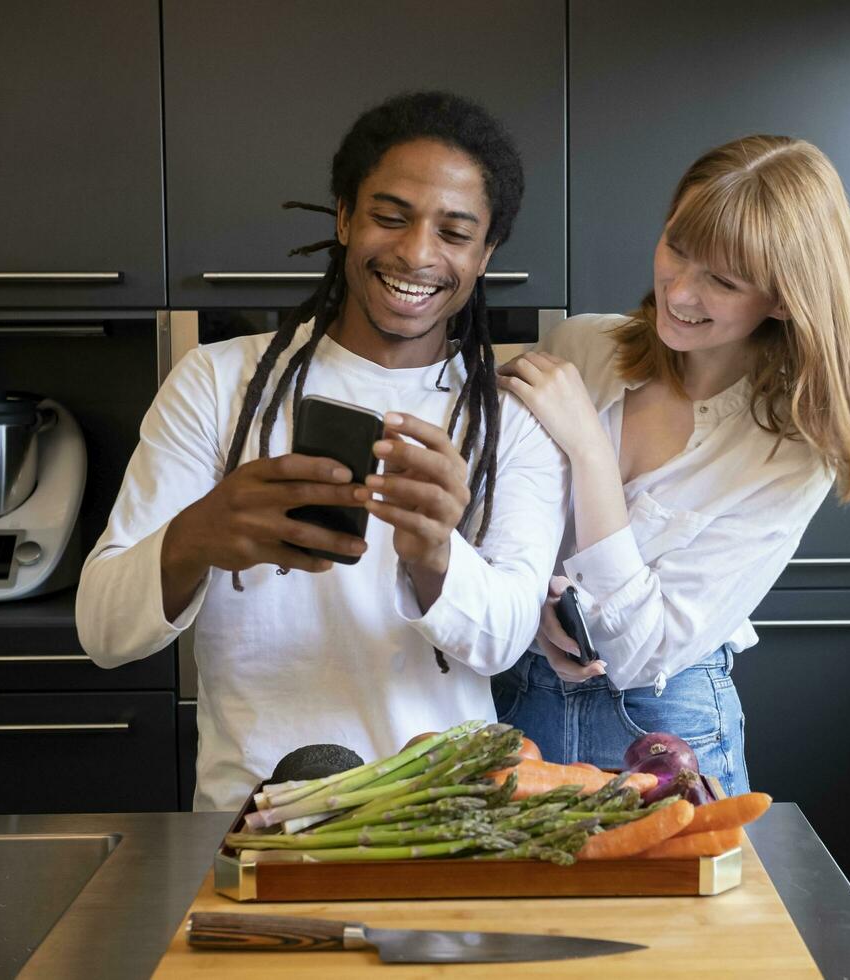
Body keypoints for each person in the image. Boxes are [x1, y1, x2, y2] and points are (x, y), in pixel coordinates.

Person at [77, 92, 567, 811]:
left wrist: (435, 556)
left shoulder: (508, 419)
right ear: (344, 217)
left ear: (486, 254)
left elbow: (503, 641)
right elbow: (103, 632)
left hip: (446, 821)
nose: (417, 253)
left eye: (455, 233)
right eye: (390, 216)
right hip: (253, 820)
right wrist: (195, 537)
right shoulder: (216, 385)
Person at [491, 135, 850, 796]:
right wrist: (530, 614)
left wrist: (588, 449)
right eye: (677, 245)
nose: (678, 289)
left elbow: (640, 653)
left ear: (783, 299)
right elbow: (489, 533)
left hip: (663, 723)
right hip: (513, 697)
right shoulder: (581, 348)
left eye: (722, 281)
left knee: (682, 901)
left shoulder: (790, 452)